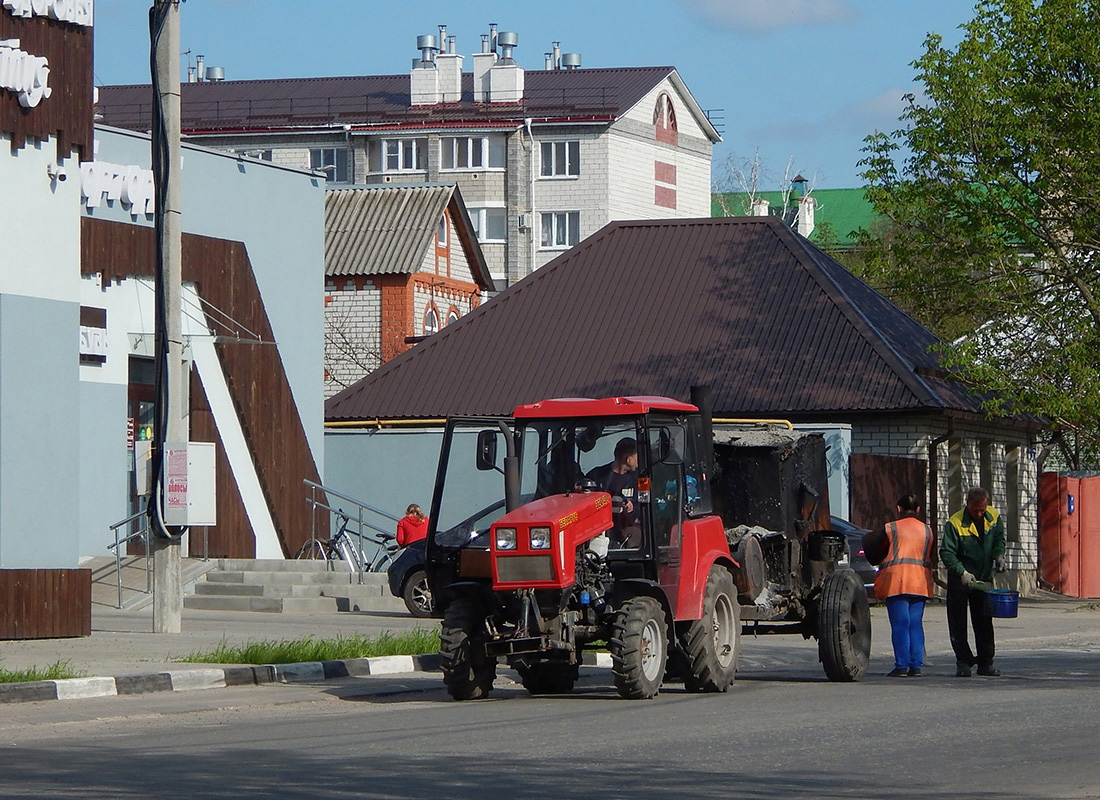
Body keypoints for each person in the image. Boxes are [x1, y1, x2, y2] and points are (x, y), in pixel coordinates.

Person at [940, 486, 1007, 677]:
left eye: (982, 510)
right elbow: (946, 552)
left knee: (984, 620)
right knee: (958, 621)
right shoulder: (955, 523)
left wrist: (999, 555)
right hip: (961, 579)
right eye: (975, 510)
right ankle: (963, 661)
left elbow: (999, 540)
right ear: (967, 504)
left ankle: (986, 663)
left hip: (983, 578)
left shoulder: (993, 517)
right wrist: (961, 572)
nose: (979, 513)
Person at [873, 494, 936, 677]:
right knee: (915, 624)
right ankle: (916, 666)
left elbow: (878, 551)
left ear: (898, 509)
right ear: (918, 510)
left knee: (900, 624)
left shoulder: (890, 528)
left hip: (897, 581)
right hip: (919, 582)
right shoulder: (928, 531)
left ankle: (901, 665)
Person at [586, 437, 641, 547]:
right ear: (628, 459)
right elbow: (583, 499)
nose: (639, 461)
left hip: (631, 538)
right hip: (600, 537)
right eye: (637, 457)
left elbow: (645, 505)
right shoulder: (597, 476)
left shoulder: (640, 478)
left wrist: (633, 506)